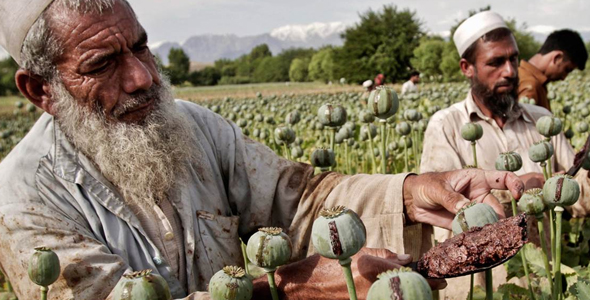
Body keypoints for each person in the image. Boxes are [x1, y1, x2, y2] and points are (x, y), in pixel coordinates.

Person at [0, 1, 525, 299]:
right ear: (39, 90)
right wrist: (286, 288)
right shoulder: (22, 199)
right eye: (102, 64)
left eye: (139, 46)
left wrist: (410, 192)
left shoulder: (193, 127)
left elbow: (301, 201)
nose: (142, 77)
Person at [420, 11, 590, 300]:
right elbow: (440, 209)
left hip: (543, 281)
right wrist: (530, 185)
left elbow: (580, 191)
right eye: (496, 62)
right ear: (467, 67)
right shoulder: (445, 125)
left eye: (513, 59)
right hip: (479, 286)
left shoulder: (541, 120)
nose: (510, 71)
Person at [518, 29, 588, 111]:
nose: (564, 78)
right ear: (557, 58)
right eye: (567, 70)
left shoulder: (521, 74)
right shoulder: (530, 87)